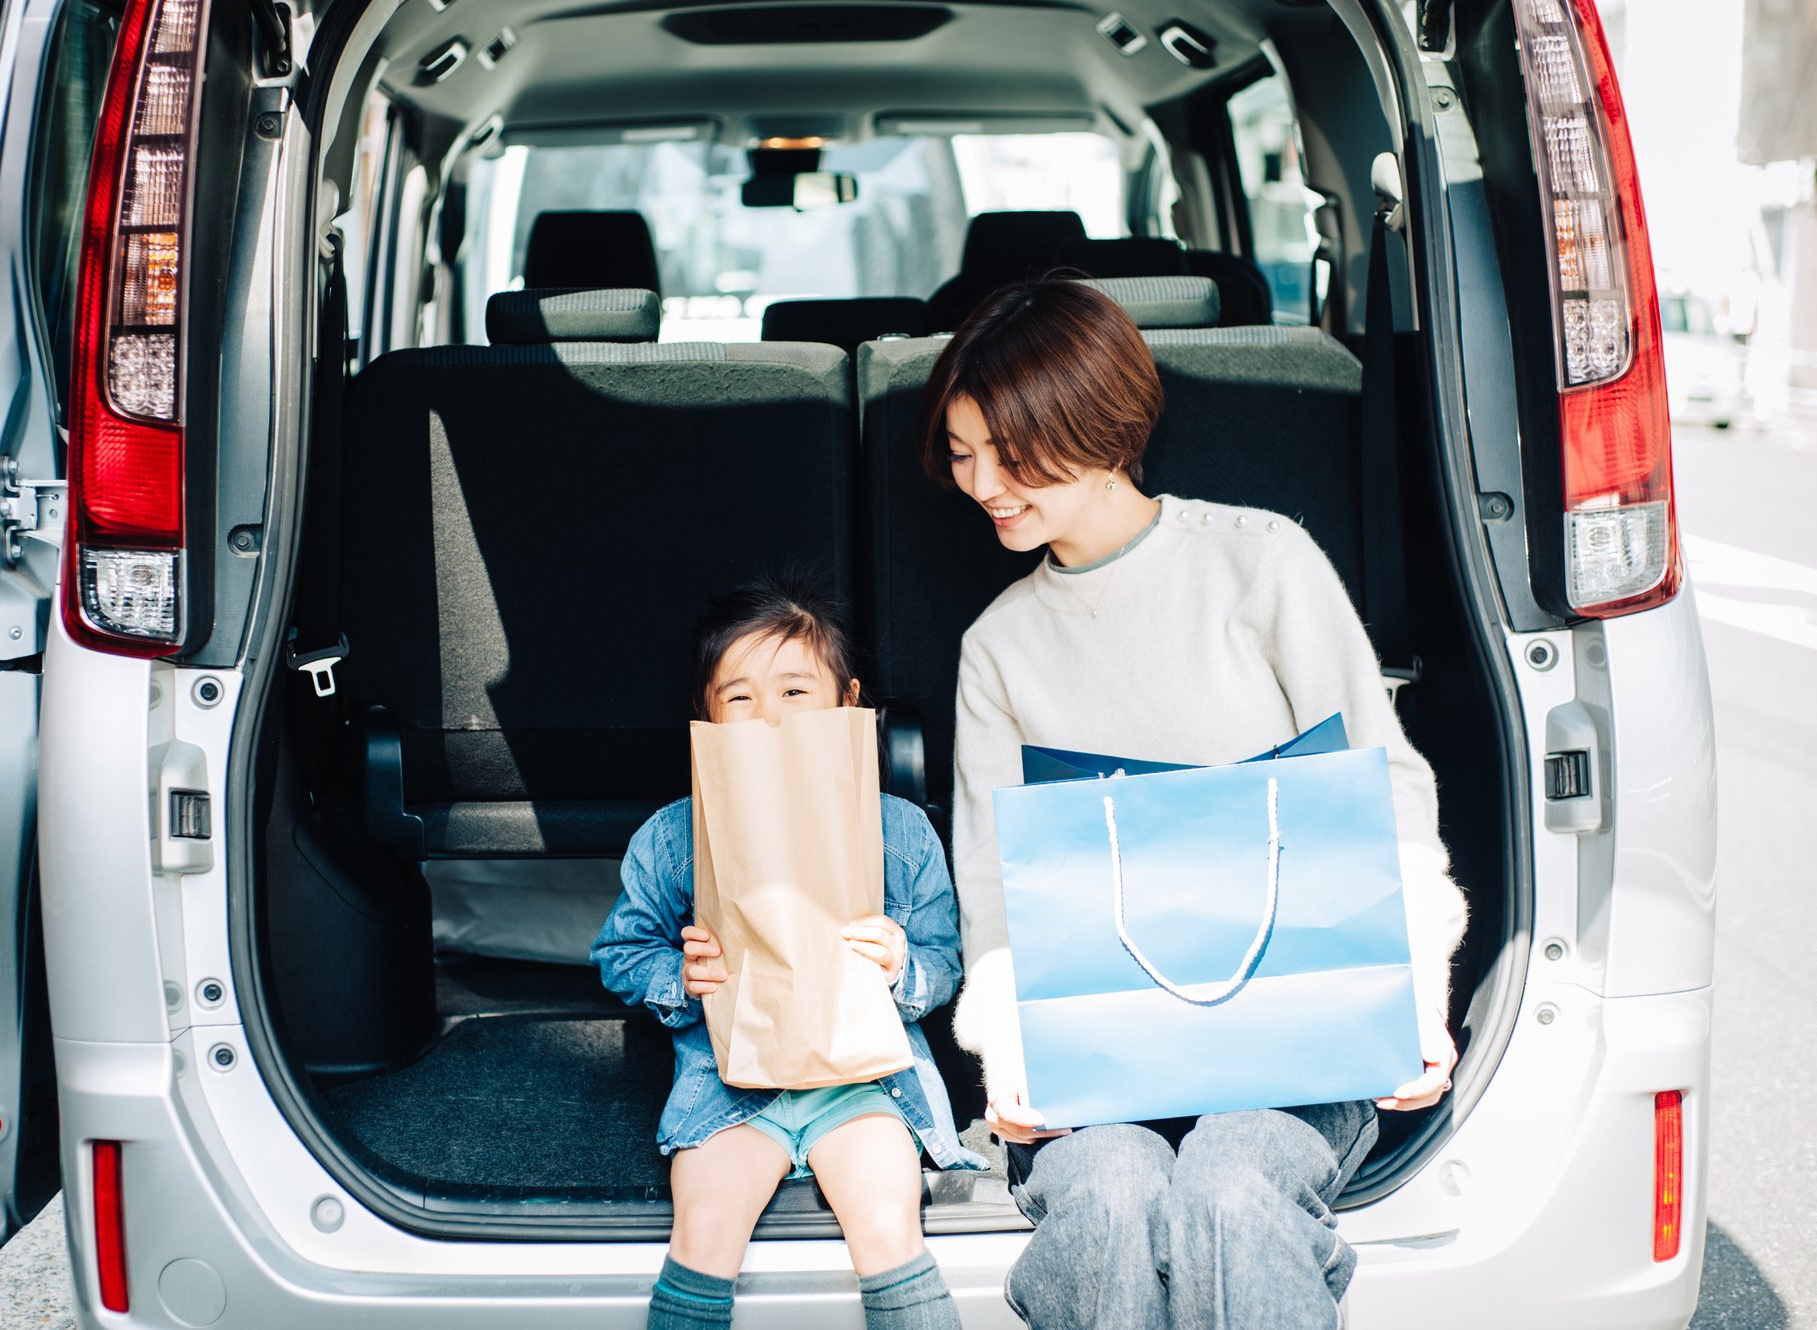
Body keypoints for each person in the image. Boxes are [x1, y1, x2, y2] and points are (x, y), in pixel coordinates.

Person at [923, 279, 1470, 1329]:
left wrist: (1413, 991)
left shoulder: (1258, 562)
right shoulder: (997, 644)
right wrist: (1010, 1051)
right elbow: (991, 880)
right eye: (959, 453)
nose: (980, 482)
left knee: (1228, 1181)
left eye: (1009, 452)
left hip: (1292, 1039)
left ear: (1098, 423)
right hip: (1096, 1057)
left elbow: (1383, 783)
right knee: (1114, 1194)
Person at [592, 577, 986, 1330]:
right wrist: (677, 974)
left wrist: (903, 966)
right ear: (706, 716)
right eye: (738, 697)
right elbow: (620, 950)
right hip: (730, 1086)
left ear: (848, 703)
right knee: (705, 1226)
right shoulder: (675, 837)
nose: (767, 717)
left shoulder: (901, 834)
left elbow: (946, 961)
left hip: (865, 1082)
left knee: (887, 1224)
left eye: (795, 691)